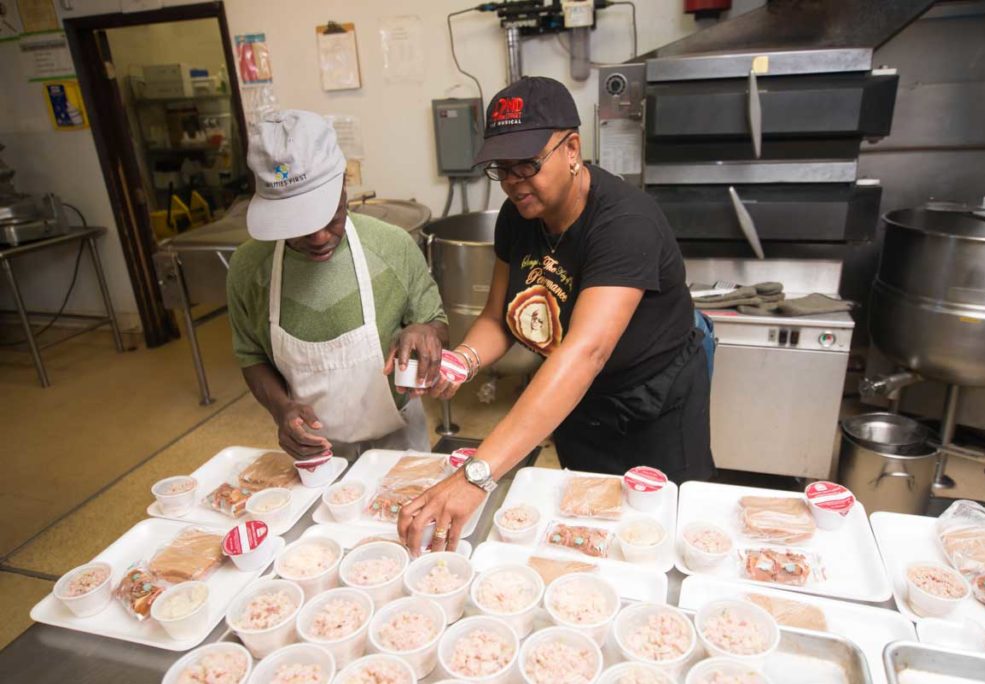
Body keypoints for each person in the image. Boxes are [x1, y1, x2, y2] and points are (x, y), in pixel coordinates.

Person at [399, 77, 714, 554]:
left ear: (572, 149)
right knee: (588, 528)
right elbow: (499, 316)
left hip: (652, 404)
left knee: (660, 541)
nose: (513, 182)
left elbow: (586, 352)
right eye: (502, 168)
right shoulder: (518, 216)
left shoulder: (625, 224)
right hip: (577, 402)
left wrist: (477, 475)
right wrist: (461, 360)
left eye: (527, 164)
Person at [227, 110, 448, 460]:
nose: (317, 237)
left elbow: (435, 321)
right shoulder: (249, 268)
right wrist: (281, 409)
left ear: (343, 183)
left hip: (400, 437)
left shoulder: (392, 246)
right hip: (314, 448)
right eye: (296, 224)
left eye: (328, 215)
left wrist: (427, 331)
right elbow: (251, 355)